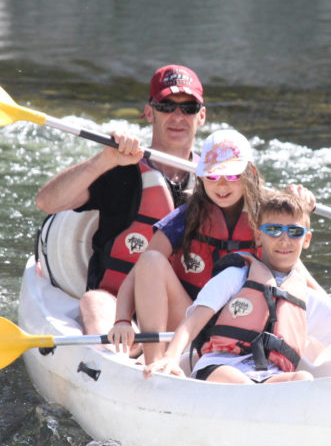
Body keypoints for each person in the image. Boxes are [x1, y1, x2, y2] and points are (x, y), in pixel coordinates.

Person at [146, 190, 331, 383]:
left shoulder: (306, 298)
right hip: (220, 367)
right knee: (238, 382)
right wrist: (170, 358)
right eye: (274, 230)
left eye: (294, 231)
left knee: (304, 379)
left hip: (269, 376)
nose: (284, 239)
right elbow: (191, 325)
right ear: (258, 235)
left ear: (306, 239)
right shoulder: (234, 277)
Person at [35, 64, 206, 335]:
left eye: (188, 108)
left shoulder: (216, 182)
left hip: (179, 315)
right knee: (93, 301)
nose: (177, 116)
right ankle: (118, 358)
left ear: (202, 116)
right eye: (166, 106)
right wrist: (103, 160)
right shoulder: (121, 170)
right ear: (149, 112)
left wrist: (296, 200)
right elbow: (47, 202)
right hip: (116, 306)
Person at [108, 128, 262, 365]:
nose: (221, 185)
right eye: (211, 176)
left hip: (239, 327)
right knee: (150, 260)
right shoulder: (187, 216)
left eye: (231, 176)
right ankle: (155, 362)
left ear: (250, 173)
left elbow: (298, 276)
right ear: (200, 177)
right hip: (186, 326)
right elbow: (139, 271)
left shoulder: (266, 220)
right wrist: (122, 320)